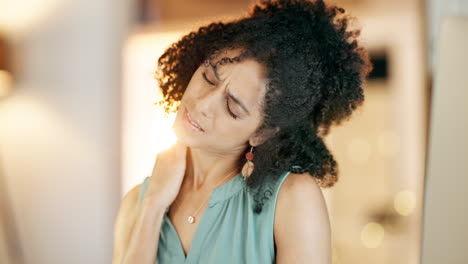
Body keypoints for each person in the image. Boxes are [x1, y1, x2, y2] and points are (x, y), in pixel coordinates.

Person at [113, 0, 372, 263]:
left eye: (231, 107)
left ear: (263, 132)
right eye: (208, 77)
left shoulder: (293, 198)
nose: (202, 104)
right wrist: (153, 207)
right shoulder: (138, 201)